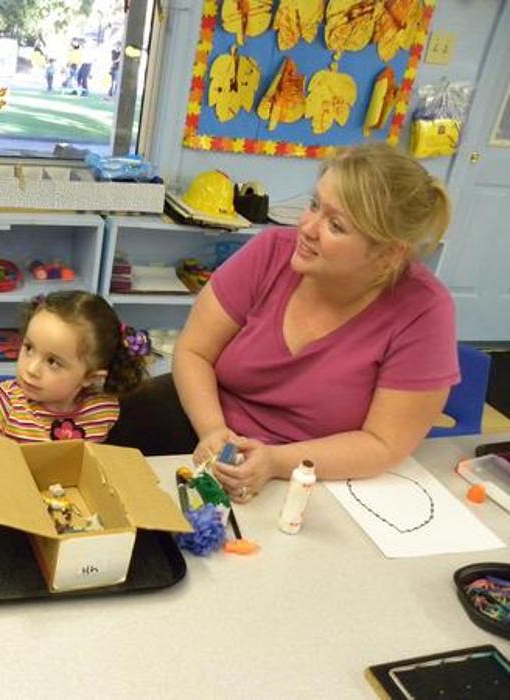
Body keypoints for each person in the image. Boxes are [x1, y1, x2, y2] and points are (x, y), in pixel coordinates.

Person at [107, 143, 458, 502]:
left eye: (335, 225)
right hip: (204, 428)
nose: (307, 227)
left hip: (315, 474)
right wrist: (213, 430)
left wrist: (276, 462)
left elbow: (383, 445)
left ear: (388, 253)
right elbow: (194, 351)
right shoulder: (271, 251)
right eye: (314, 204)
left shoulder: (423, 311)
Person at [0, 291, 149, 454]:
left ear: (90, 377)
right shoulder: (6, 402)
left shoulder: (103, 410)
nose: (31, 369)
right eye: (29, 348)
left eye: (53, 362)